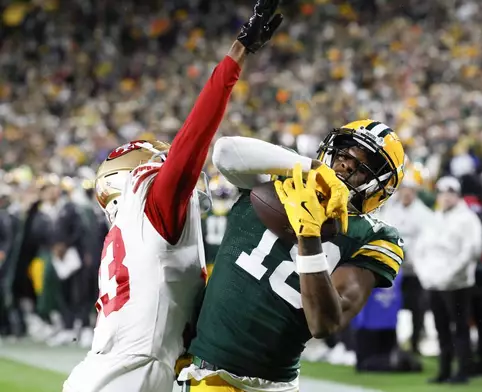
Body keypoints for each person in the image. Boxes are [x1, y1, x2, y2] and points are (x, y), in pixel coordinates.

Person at [63, 2, 283, 391]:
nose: (167, 158)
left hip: (108, 370)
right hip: (133, 376)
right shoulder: (149, 202)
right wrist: (237, 54)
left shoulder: (127, 229)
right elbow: (194, 137)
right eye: (158, 156)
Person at [179, 118, 406, 391]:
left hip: (276, 384)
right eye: (345, 154)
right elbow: (225, 152)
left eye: (362, 166)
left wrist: (308, 238)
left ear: (379, 186)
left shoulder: (374, 236)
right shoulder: (282, 175)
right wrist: (310, 167)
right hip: (212, 376)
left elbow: (325, 323)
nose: (346, 164)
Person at [413, 176, 482, 384]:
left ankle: (463, 370)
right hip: (433, 283)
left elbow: (471, 251)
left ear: (457, 195)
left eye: (450, 194)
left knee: (460, 328)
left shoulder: (467, 219)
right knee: (440, 328)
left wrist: (449, 275)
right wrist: (425, 275)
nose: (446, 198)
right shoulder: (434, 218)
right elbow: (420, 250)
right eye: (443, 194)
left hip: (457, 284)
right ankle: (444, 369)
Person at [376, 168, 433, 354]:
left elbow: (427, 241)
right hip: (394, 269)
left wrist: (409, 251)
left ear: (415, 191)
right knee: (390, 306)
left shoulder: (424, 214)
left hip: (415, 270)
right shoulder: (391, 211)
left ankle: (416, 343)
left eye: (410, 189)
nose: (406, 193)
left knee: (417, 308)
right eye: (404, 189)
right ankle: (390, 343)